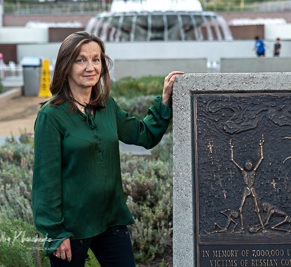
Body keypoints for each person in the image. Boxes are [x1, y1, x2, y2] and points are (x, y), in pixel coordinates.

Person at [32, 31, 183, 266]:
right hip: (71, 230)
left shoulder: (107, 106)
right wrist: (55, 233)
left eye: (96, 59)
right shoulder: (50, 116)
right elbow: (45, 181)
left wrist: (164, 100)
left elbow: (145, 135)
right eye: (80, 60)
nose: (90, 67)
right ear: (66, 66)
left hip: (111, 221)